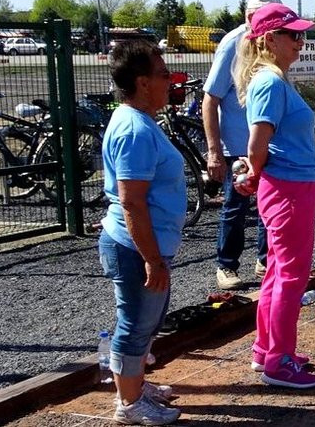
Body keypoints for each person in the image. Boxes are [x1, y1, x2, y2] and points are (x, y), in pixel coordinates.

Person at [232, 3, 315, 388]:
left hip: (288, 185)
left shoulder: (275, 79)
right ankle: (279, 362)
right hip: (288, 188)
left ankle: (267, 349)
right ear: (270, 39)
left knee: (277, 272)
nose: (301, 42)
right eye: (294, 35)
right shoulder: (269, 81)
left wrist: (255, 173)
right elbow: (257, 143)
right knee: (291, 275)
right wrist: (253, 172)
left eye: (302, 35)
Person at [99, 40, 184, 425]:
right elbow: (132, 202)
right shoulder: (134, 128)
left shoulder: (140, 120)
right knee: (134, 326)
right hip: (135, 247)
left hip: (146, 245)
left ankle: (135, 385)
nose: (171, 82)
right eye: (164, 74)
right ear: (143, 83)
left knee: (147, 322)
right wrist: (151, 259)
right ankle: (129, 404)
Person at [203, 0, 282, 290]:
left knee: (268, 204)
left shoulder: (271, 44)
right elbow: (210, 99)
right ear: (251, 17)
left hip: (266, 142)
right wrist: (213, 152)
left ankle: (265, 260)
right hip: (238, 145)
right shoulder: (232, 45)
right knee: (236, 206)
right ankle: (226, 266)